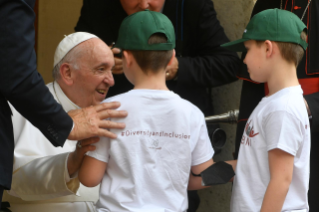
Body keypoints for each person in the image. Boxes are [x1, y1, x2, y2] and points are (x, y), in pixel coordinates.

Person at [75, 1, 240, 209]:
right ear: (172, 57)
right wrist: (242, 166)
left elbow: (89, 178)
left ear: (125, 58)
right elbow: (202, 176)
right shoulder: (192, 114)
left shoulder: (109, 110)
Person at [0, 0, 127, 204]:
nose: (111, 80)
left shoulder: (115, 113)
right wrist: (70, 163)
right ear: (67, 72)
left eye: (112, 70)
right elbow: (14, 179)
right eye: (101, 69)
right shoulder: (26, 107)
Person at [222, 9, 310, 211]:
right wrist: (200, 176)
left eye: (248, 49)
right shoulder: (275, 103)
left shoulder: (283, 109)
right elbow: (254, 165)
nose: (243, 60)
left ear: (268, 48)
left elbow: (281, 181)